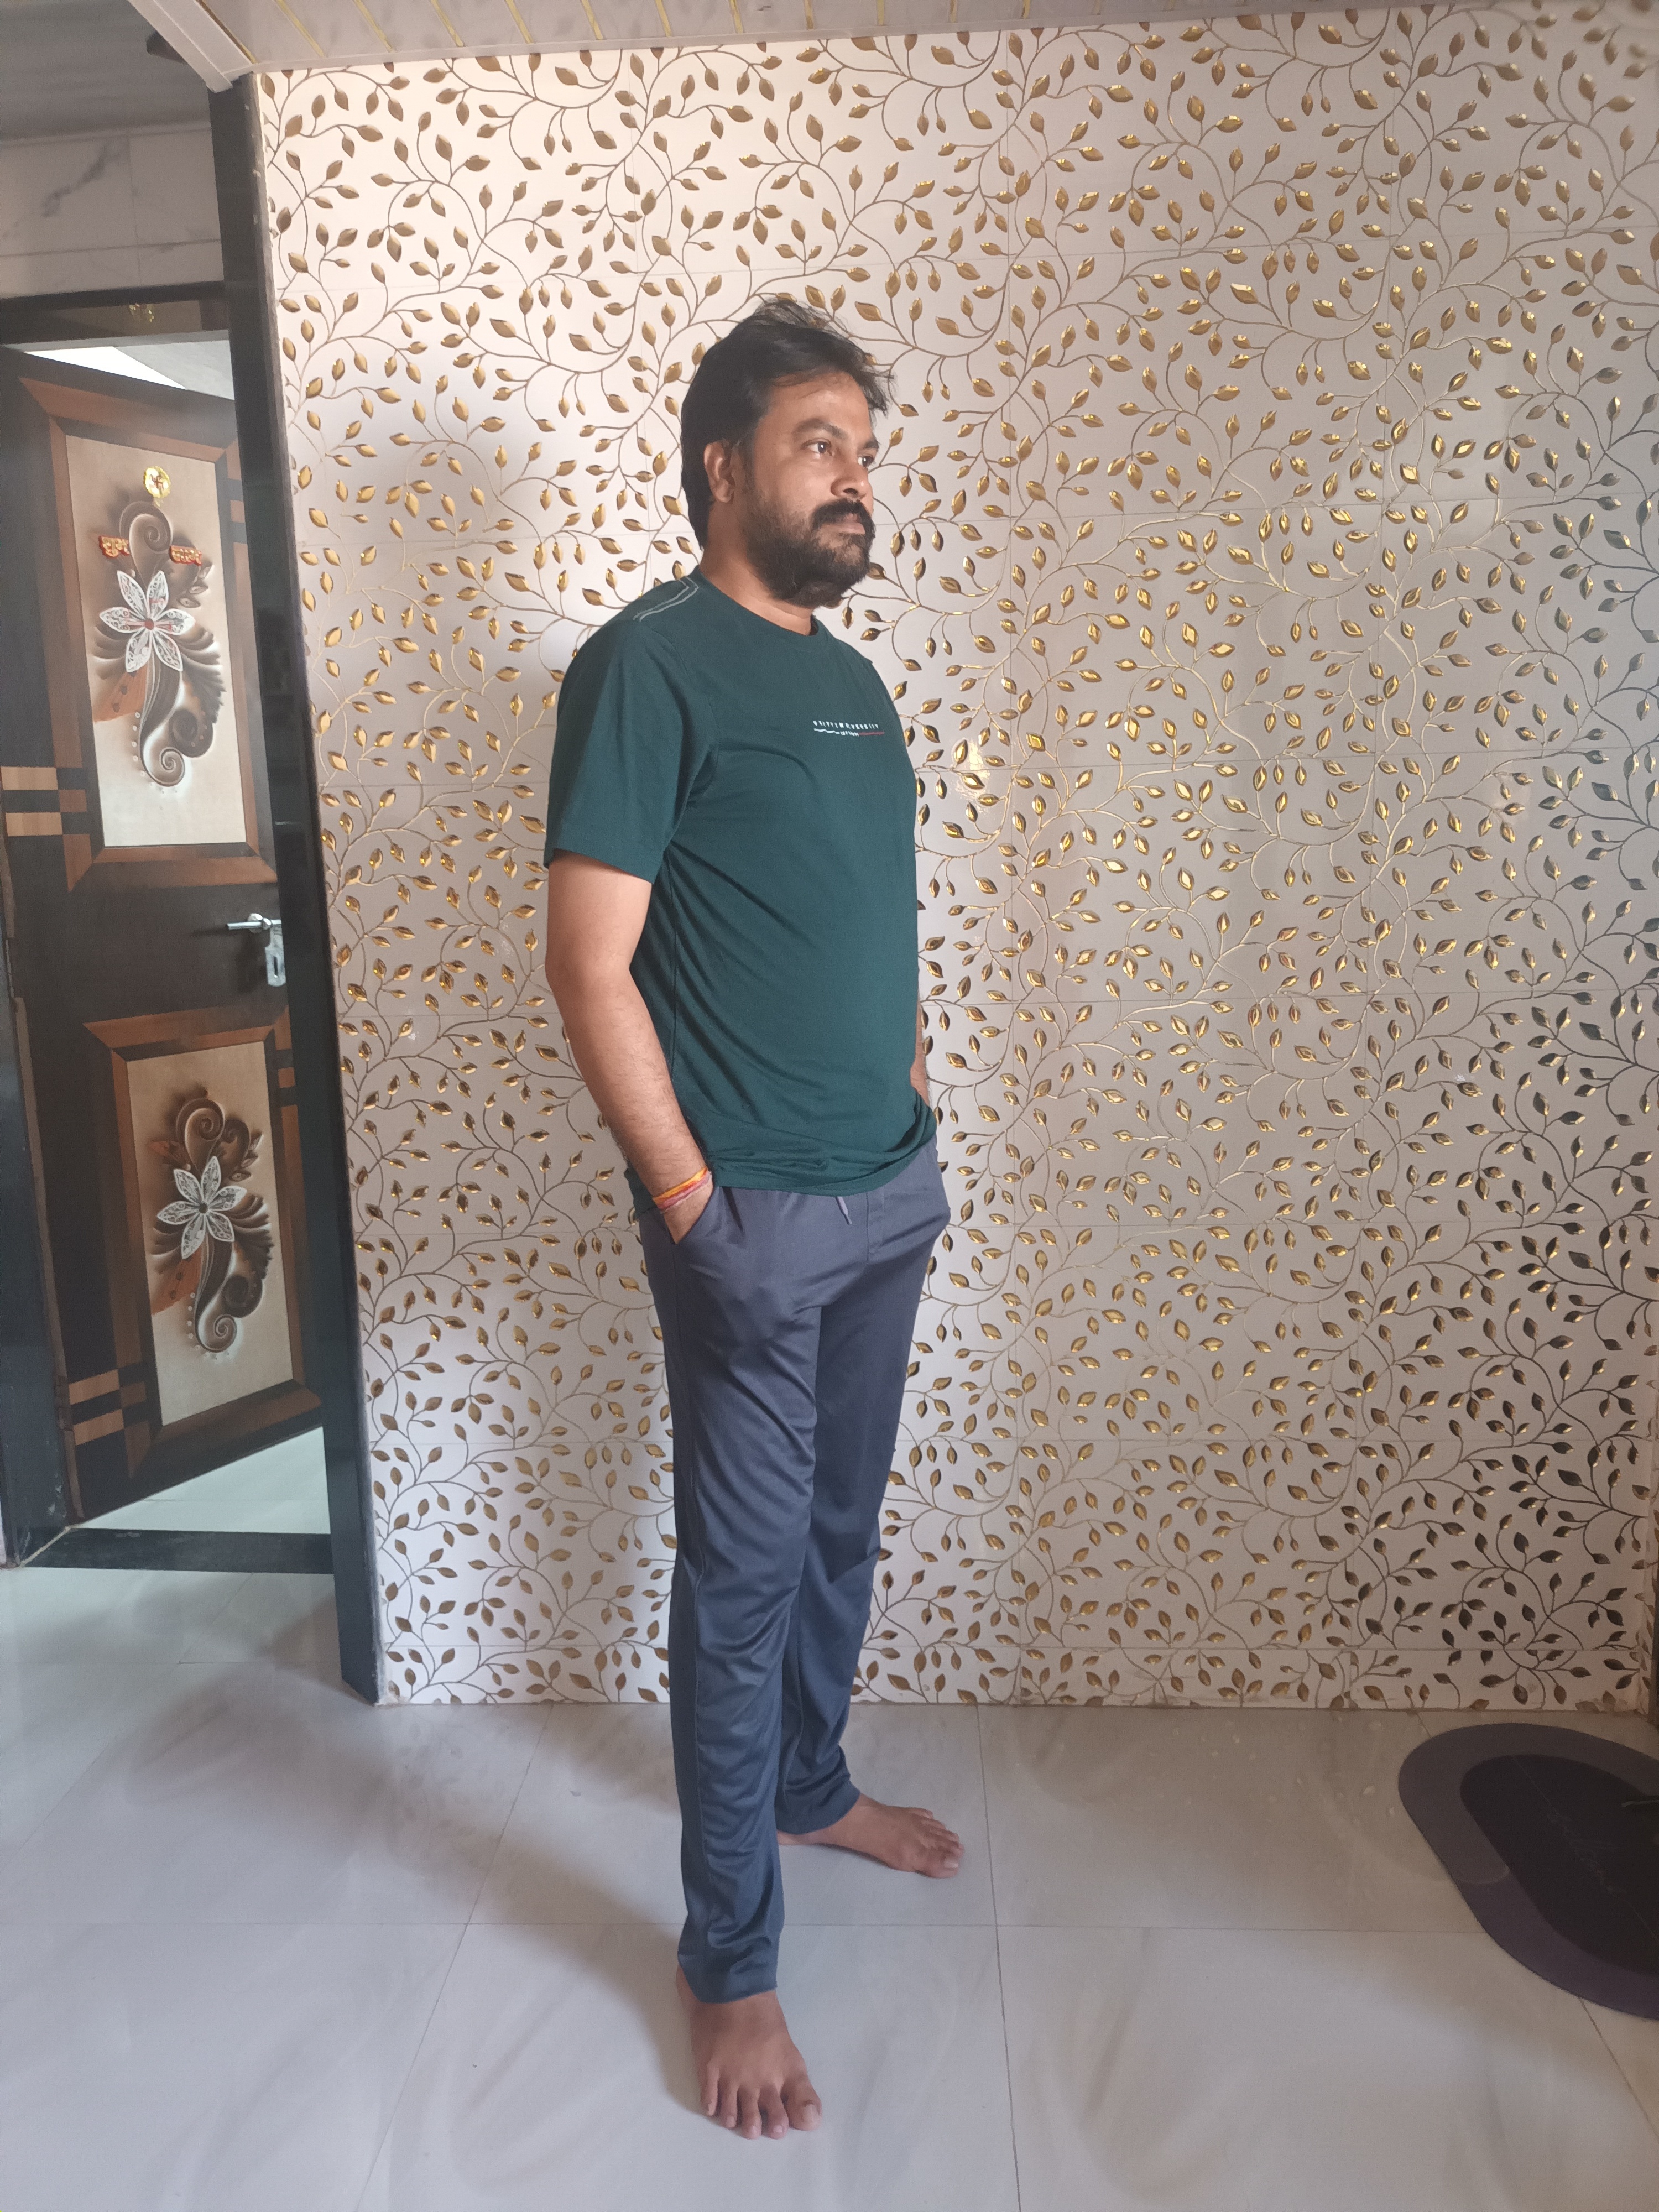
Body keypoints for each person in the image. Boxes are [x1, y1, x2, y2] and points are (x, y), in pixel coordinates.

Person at [541, 299, 962, 2141]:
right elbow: (589, 962)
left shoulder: (855, 681)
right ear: (724, 466)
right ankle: (730, 1961)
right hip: (757, 1220)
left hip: (888, 1193)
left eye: (864, 448)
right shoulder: (648, 668)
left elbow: (872, 912)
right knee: (744, 1577)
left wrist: (916, 1089)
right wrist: (690, 1195)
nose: (855, 479)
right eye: (818, 444)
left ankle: (807, 1783)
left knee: (838, 1534)